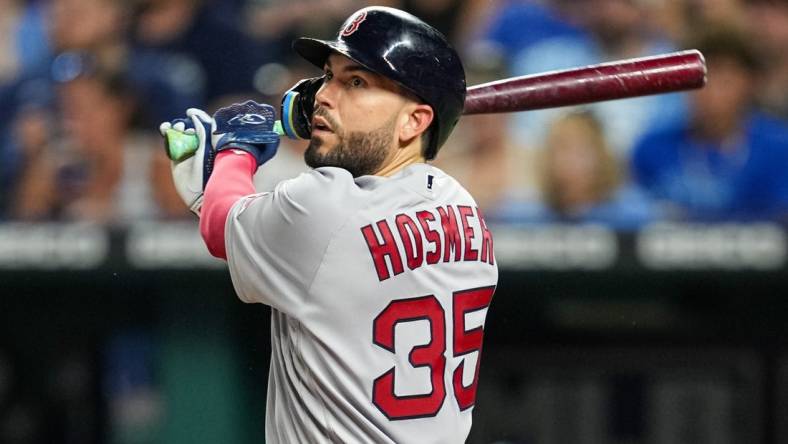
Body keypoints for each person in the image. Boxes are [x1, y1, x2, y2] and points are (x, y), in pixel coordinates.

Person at [161, 6, 497, 443]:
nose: (322, 95)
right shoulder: (463, 208)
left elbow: (220, 225)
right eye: (329, 77)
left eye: (355, 82)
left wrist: (235, 151)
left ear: (415, 120)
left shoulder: (327, 208)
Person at [631, 25, 788, 222]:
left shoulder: (779, 150)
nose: (710, 93)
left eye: (724, 81)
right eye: (699, 81)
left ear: (750, 84)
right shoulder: (652, 148)